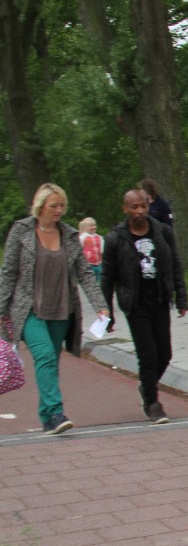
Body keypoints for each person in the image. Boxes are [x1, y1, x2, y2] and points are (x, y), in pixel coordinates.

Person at [0, 183, 110, 434]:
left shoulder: (70, 236)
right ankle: (56, 413)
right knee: (45, 355)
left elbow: (85, 273)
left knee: (51, 362)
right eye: (53, 206)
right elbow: (9, 273)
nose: (59, 210)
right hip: (29, 309)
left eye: (62, 205)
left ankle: (47, 416)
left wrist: (100, 306)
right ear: (41, 206)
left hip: (61, 309)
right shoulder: (21, 231)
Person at [101, 189, 188, 424]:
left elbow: (175, 264)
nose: (139, 211)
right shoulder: (116, 238)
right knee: (147, 355)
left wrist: (181, 297)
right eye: (134, 207)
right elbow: (107, 277)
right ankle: (152, 402)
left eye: (143, 206)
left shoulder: (162, 232)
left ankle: (146, 385)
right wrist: (107, 313)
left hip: (159, 300)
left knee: (165, 354)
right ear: (125, 209)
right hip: (135, 304)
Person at [78, 217, 104, 281]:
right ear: (85, 227)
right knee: (90, 280)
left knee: (100, 280)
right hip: (88, 264)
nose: (94, 227)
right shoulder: (82, 237)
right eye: (91, 226)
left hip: (99, 264)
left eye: (95, 225)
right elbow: (79, 250)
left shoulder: (99, 237)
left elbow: (102, 250)